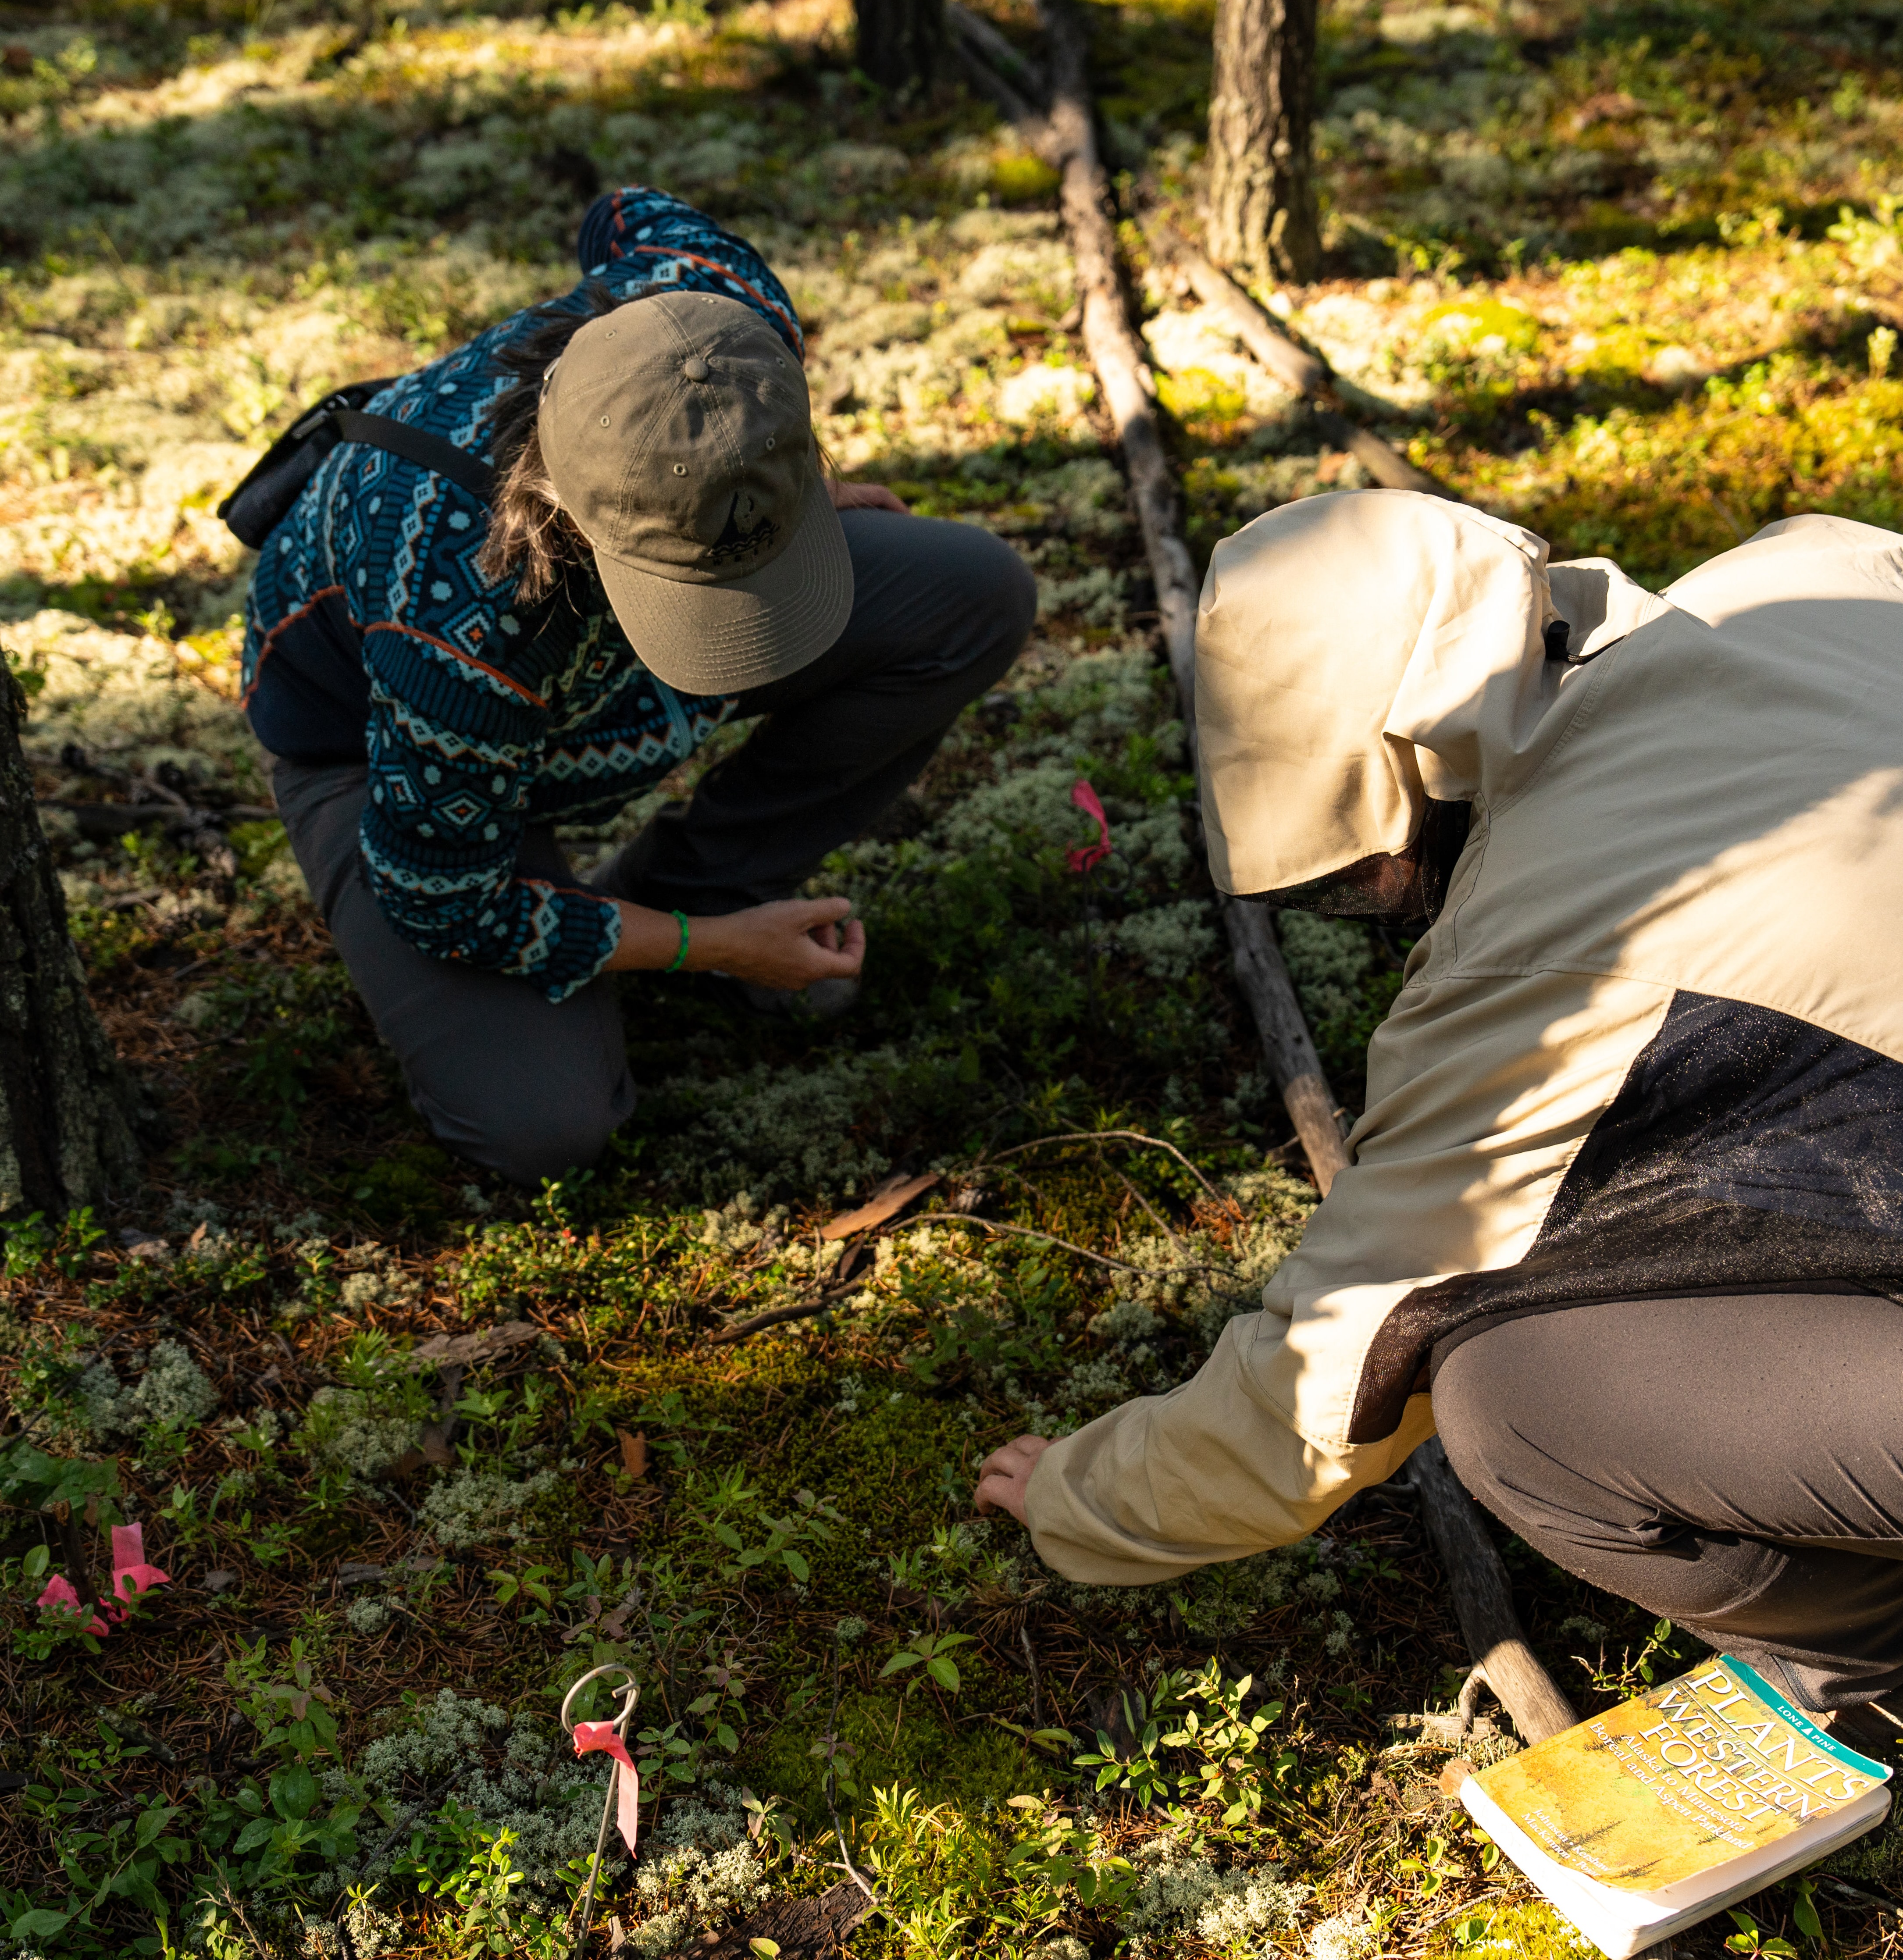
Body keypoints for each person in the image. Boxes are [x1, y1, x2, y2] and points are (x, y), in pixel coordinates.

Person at [978, 492, 1903, 1748]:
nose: (1387, 909)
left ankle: (1870, 1667)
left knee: (1516, 1404)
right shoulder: (1812, 568)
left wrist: (1086, 1498)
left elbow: (1335, 1364)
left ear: (1421, 761)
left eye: (1368, 880)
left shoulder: (1542, 955)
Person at [241, 186, 1035, 1186]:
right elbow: (445, 903)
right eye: (697, 586)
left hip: (553, 665)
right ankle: (680, 924)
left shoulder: (719, 303)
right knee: (542, 1128)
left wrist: (789, 499)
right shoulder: (456, 609)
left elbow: (621, 212)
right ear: (574, 515)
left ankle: (687, 886)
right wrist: (712, 950)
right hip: (374, 740)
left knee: (972, 594)